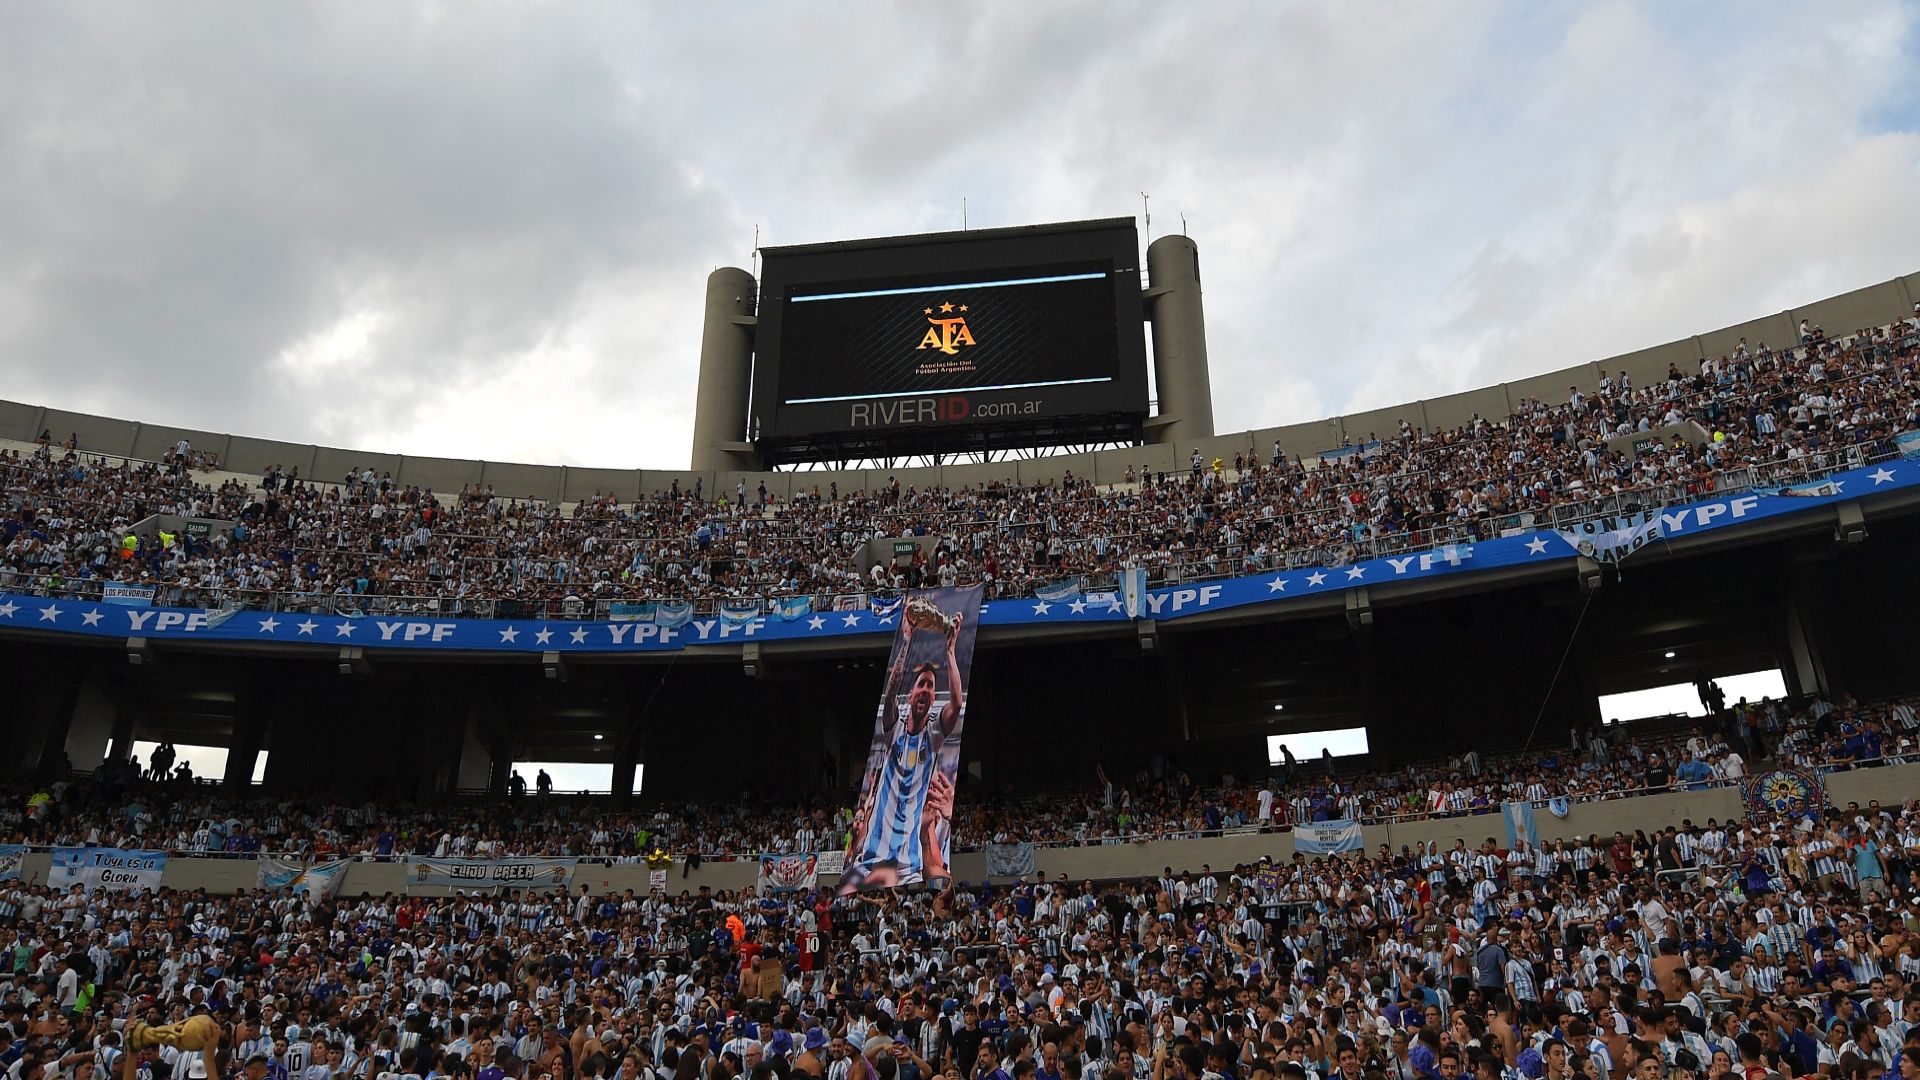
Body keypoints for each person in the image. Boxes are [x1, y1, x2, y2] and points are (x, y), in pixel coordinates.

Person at [844, 611, 966, 891]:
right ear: (911, 695)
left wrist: (950, 651)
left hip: (909, 864)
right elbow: (889, 695)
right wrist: (906, 641)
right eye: (921, 684)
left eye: (930, 687)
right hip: (872, 859)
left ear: (933, 698)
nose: (925, 689)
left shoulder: (933, 735)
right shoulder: (893, 729)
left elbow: (957, 704)